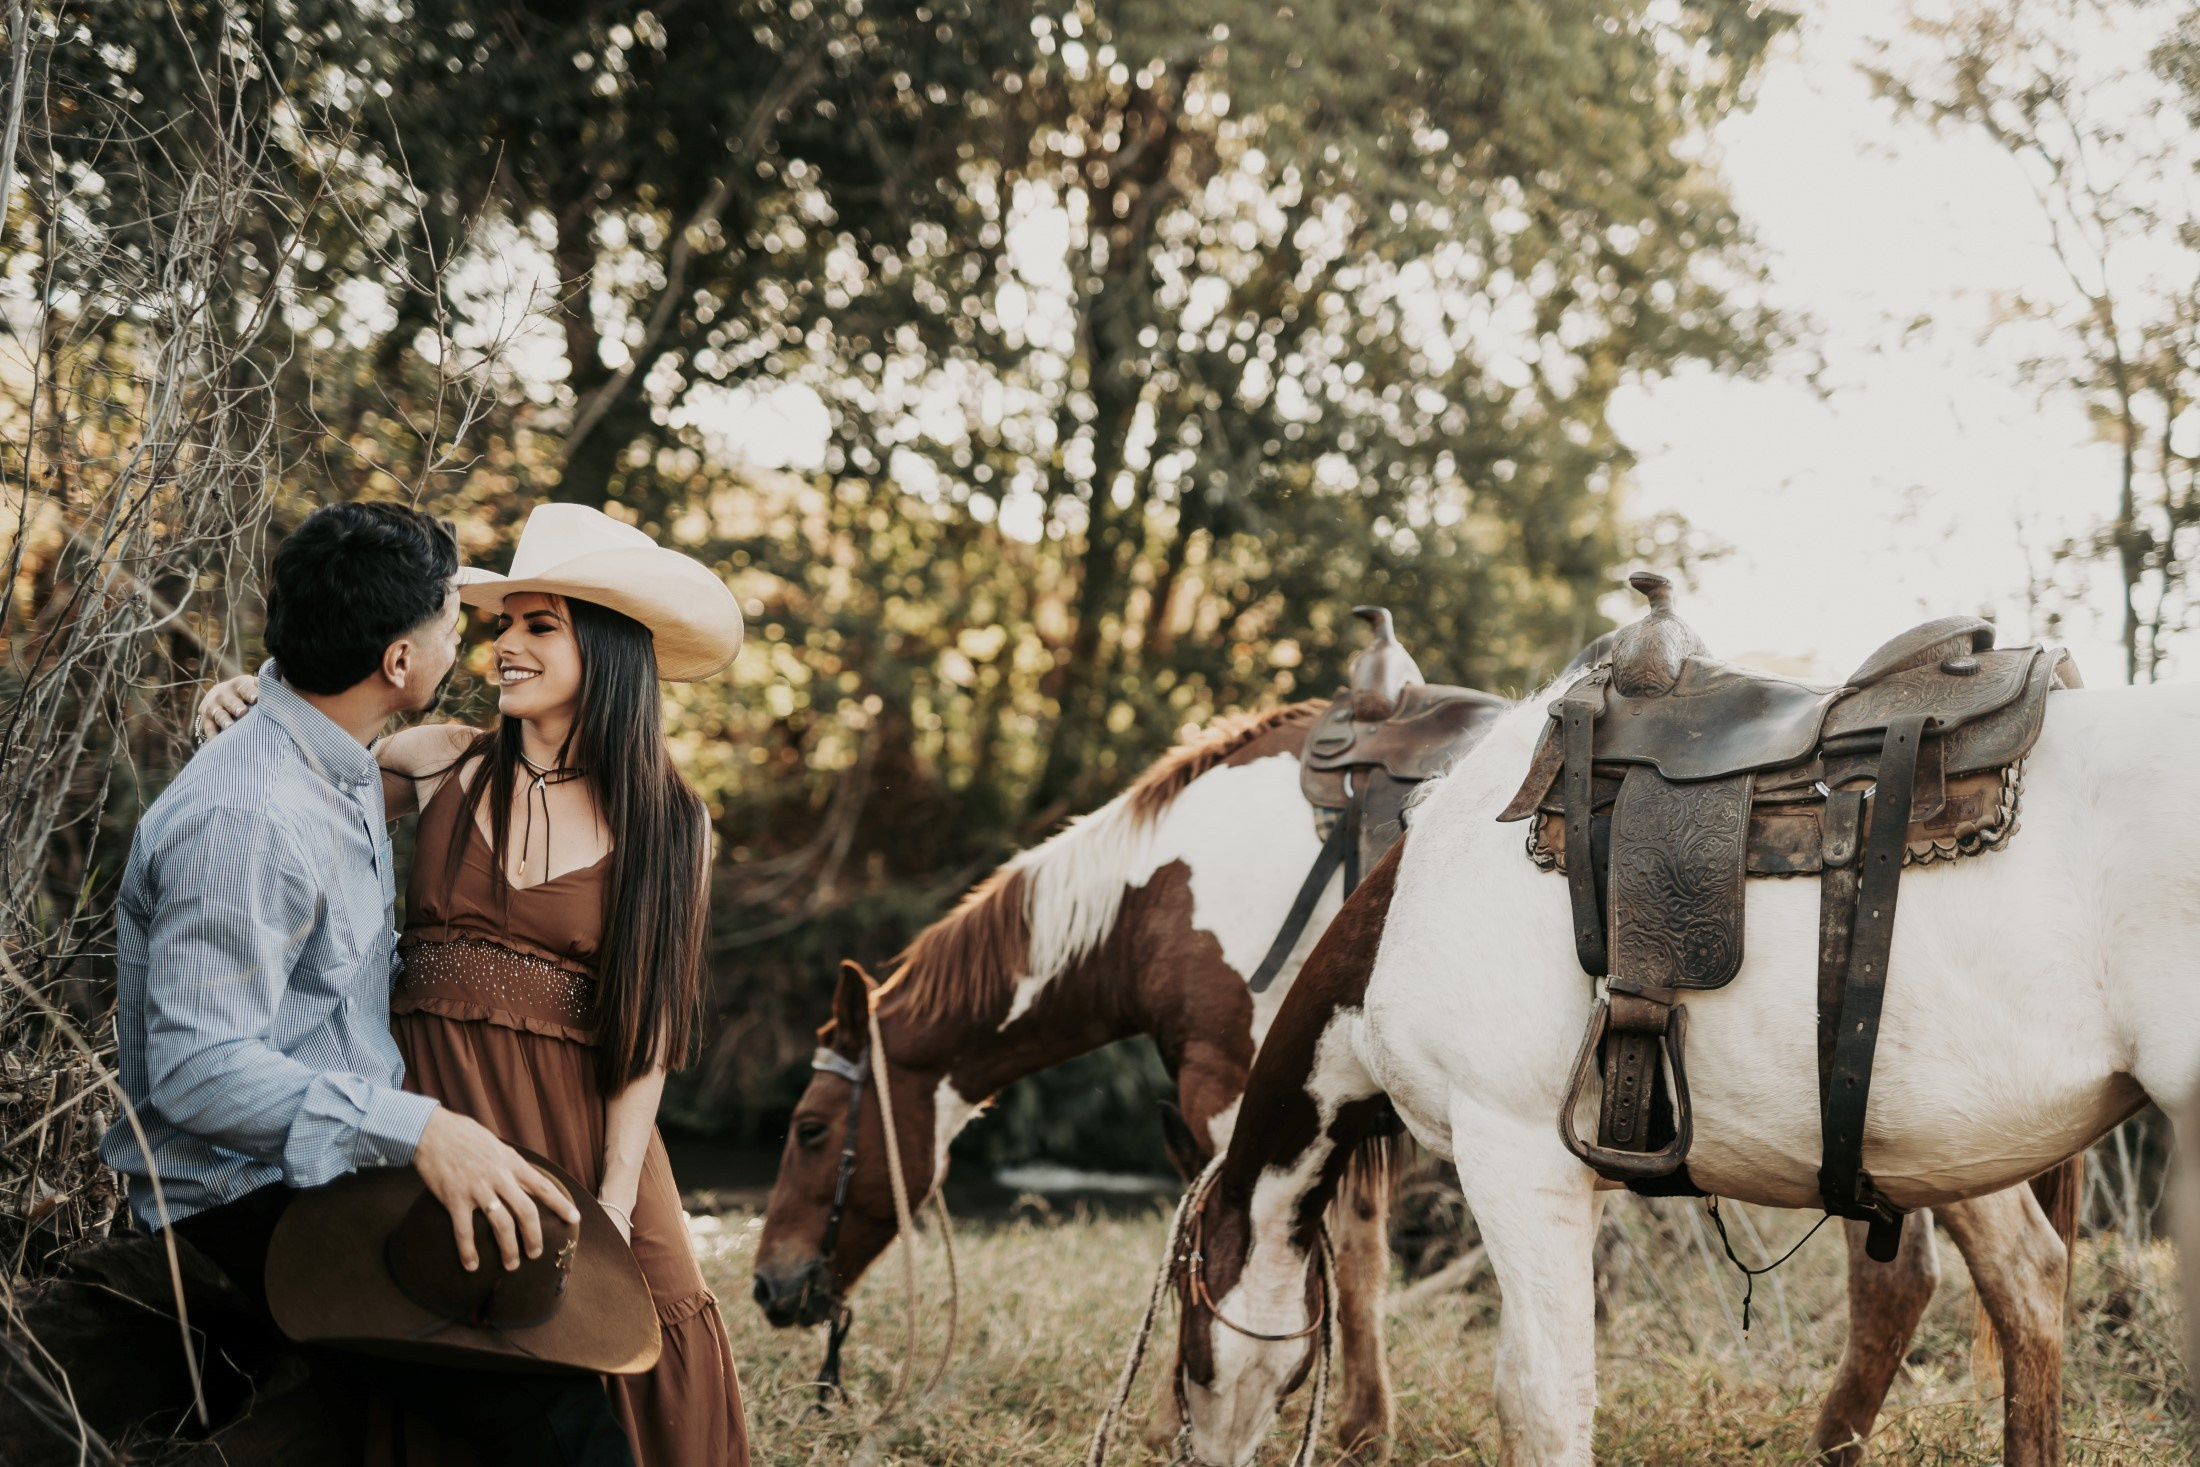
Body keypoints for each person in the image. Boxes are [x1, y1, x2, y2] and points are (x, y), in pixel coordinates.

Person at [198, 502, 750, 1467]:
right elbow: (290, 790)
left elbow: (649, 1029)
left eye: (541, 626)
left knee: (631, 1346)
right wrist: (250, 698)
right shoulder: (441, 760)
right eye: (503, 624)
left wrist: (616, 1200)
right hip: (443, 1114)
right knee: (446, 1337)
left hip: (586, 1126)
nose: (507, 647)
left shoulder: (672, 822)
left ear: (610, 649)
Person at [105, 501, 634, 1466]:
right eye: (451, 619)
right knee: (558, 1413)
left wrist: (246, 691)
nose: (465, 638)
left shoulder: (336, 761)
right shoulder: (250, 815)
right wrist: (423, 1127)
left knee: (539, 1315)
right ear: (397, 662)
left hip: (340, 1168)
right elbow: (194, 1072)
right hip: (246, 1196)